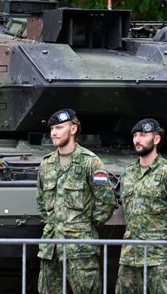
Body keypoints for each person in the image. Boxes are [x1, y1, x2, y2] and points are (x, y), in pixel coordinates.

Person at [36, 108, 115, 294]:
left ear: (73, 129)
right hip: (51, 249)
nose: (53, 132)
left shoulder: (90, 162)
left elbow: (106, 201)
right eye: (52, 128)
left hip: (80, 248)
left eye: (59, 127)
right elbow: (41, 200)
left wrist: (85, 226)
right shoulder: (46, 164)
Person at [115, 118, 167, 294]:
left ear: (156, 139)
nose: (137, 140)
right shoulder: (128, 174)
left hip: (161, 257)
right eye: (135, 135)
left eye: (143, 135)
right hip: (131, 257)